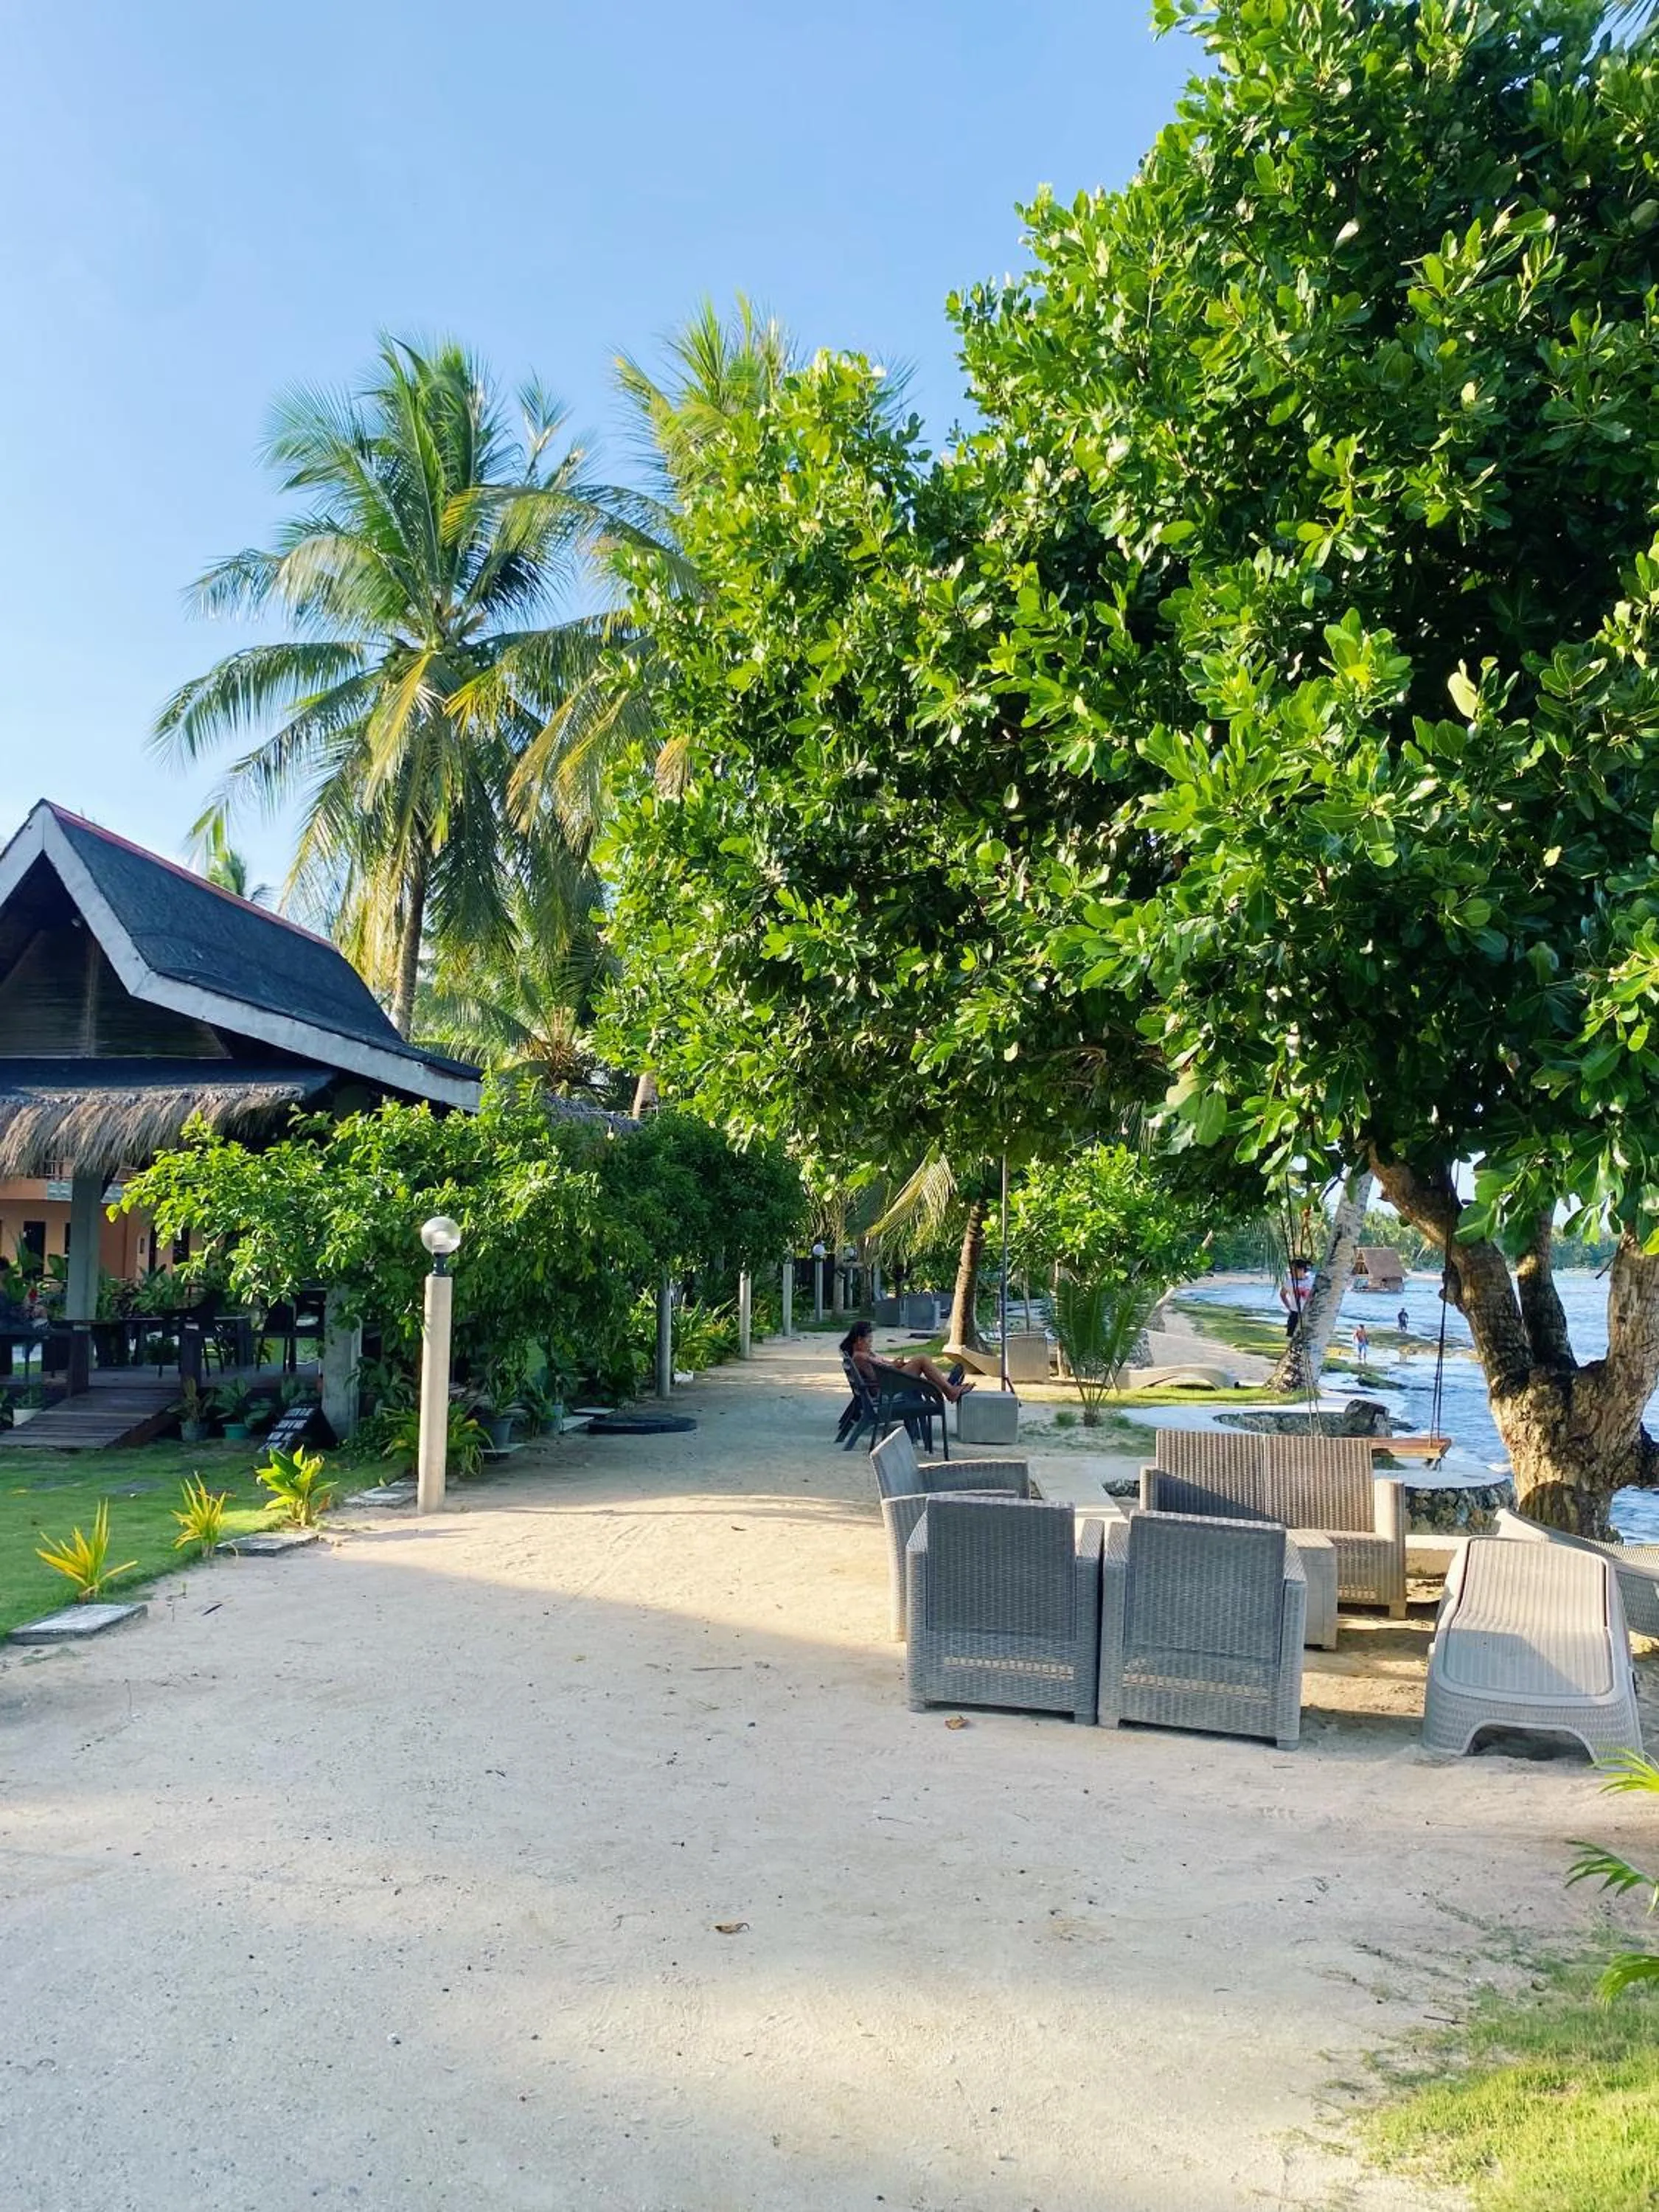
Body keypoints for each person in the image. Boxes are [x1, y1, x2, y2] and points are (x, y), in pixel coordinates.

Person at [839, 1318, 973, 1403]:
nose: (871, 1344)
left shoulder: (866, 1353)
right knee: (922, 1359)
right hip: (887, 1388)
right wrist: (894, 1368)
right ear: (859, 1340)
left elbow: (881, 1366)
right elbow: (876, 1376)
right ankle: (949, 1389)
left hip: (890, 1380)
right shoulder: (860, 1357)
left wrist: (893, 1364)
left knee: (922, 1363)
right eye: (869, 1341)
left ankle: (946, 1386)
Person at [1279, 1257, 1313, 1339]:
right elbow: (1282, 1294)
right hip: (1295, 1313)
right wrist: (1289, 1306)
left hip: (1308, 1313)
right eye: (1291, 1270)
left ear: (1301, 1270)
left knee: (1306, 1337)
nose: (1292, 1272)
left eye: (1294, 1270)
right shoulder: (1290, 1282)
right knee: (1291, 1336)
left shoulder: (1311, 1281)